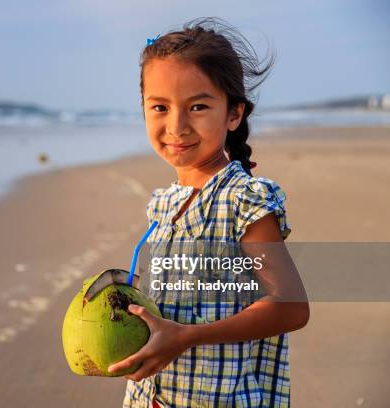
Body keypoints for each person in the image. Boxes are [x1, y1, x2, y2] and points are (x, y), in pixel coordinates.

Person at [107, 18, 309, 407]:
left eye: (198, 106)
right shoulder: (162, 203)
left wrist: (187, 335)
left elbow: (291, 307)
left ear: (234, 114)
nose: (176, 126)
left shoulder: (243, 199)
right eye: (160, 107)